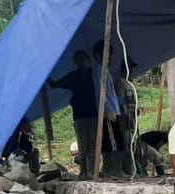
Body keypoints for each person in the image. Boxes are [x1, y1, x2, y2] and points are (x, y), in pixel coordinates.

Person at [47, 51, 96, 179]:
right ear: (75, 63)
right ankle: (84, 172)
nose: (81, 63)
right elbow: (54, 85)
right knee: (83, 144)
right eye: (78, 60)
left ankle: (91, 172)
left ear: (87, 60)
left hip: (94, 114)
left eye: (83, 59)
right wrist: (44, 73)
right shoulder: (73, 77)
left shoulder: (94, 74)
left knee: (93, 145)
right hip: (80, 115)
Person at [92, 40, 126, 177]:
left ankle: (111, 170)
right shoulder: (98, 70)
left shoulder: (107, 71)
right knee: (114, 142)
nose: (110, 58)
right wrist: (106, 110)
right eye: (107, 54)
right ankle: (114, 170)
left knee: (114, 140)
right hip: (108, 112)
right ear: (97, 55)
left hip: (114, 109)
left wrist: (122, 102)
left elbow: (111, 94)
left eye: (110, 55)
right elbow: (101, 92)